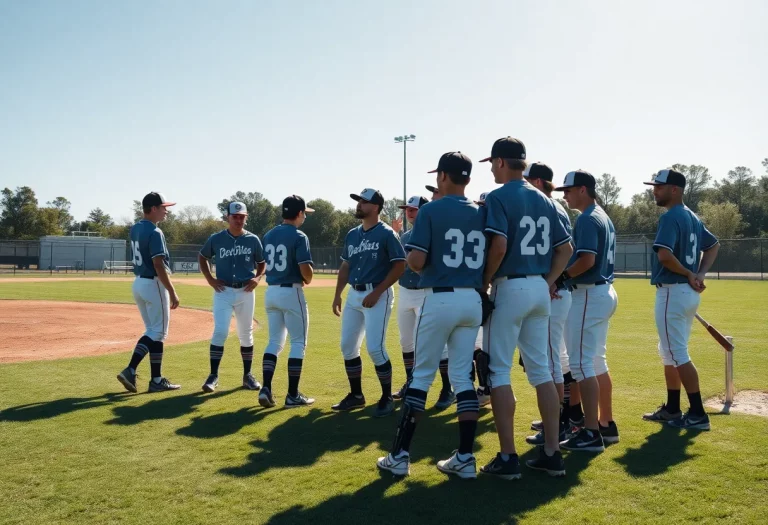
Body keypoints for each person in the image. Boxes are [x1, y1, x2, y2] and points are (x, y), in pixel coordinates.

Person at [377, 152, 485, 478]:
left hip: (440, 298)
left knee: (421, 377)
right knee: (464, 378)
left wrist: (410, 254)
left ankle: (399, 456)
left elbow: (418, 262)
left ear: (442, 176)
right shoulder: (482, 212)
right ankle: (465, 457)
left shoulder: (431, 210)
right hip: (473, 299)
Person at [479, 137, 572, 479]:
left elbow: (499, 245)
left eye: (492, 162)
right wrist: (547, 280)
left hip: (510, 285)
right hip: (538, 287)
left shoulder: (499, 196)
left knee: (498, 371)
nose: (490, 167)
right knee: (543, 372)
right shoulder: (546, 200)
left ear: (502, 162)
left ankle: (507, 457)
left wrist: (485, 280)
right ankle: (552, 452)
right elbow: (566, 249)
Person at [642, 169, 720, 430]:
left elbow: (664, 256)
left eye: (659, 186)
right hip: (684, 293)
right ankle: (673, 409)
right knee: (669, 352)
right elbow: (713, 245)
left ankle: (697, 413)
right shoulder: (693, 217)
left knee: (677, 353)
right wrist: (699, 273)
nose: (655, 190)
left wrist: (690, 273)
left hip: (673, 291)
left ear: (675, 189)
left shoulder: (671, 217)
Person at [555, 170, 619, 452]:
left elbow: (587, 260)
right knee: (595, 362)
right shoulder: (602, 215)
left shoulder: (588, 218)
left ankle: (591, 433)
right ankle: (606, 424)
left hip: (589, 293)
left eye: (567, 190)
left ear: (583, 189)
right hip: (602, 291)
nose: (564, 195)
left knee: (581, 365)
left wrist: (560, 278)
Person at [331, 188, 406, 417]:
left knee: (375, 348)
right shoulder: (352, 234)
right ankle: (356, 395)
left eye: (363, 201)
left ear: (375, 207)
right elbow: (345, 266)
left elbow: (400, 265)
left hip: (378, 294)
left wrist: (379, 291)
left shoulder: (386, 233)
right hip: (355, 294)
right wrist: (337, 294)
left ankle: (386, 397)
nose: (359, 205)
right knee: (347, 346)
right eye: (358, 201)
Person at [521, 163, 578, 445]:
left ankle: (558, 426)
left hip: (553, 293)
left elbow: (566, 251)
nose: (524, 184)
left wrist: (550, 281)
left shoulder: (548, 206)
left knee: (551, 362)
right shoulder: (553, 207)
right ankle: (554, 421)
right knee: (551, 360)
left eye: (528, 179)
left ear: (540, 181)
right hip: (552, 291)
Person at [198, 202, 266, 393]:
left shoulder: (253, 240)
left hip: (245, 291)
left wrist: (258, 277)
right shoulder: (217, 239)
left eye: (241, 216)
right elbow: (202, 257)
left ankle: (248, 376)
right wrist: (210, 279)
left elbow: (262, 263)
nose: (238, 219)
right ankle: (213, 376)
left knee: (246, 333)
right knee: (220, 332)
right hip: (223, 291)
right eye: (234, 216)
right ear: (227, 217)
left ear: (246, 217)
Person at [117, 192, 181, 393]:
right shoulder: (155, 232)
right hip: (154, 284)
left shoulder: (135, 227)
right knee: (158, 331)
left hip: (138, 283)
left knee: (154, 332)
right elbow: (158, 264)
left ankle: (156, 379)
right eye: (163, 207)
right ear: (153, 209)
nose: (167, 211)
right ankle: (130, 368)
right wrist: (172, 290)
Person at [259, 195, 316, 408]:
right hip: (291, 291)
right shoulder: (299, 235)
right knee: (298, 343)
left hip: (271, 291)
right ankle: (292, 395)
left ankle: (266, 387)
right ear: (299, 213)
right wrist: (308, 276)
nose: (304, 217)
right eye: (304, 213)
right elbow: (306, 273)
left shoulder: (269, 234)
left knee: (274, 341)